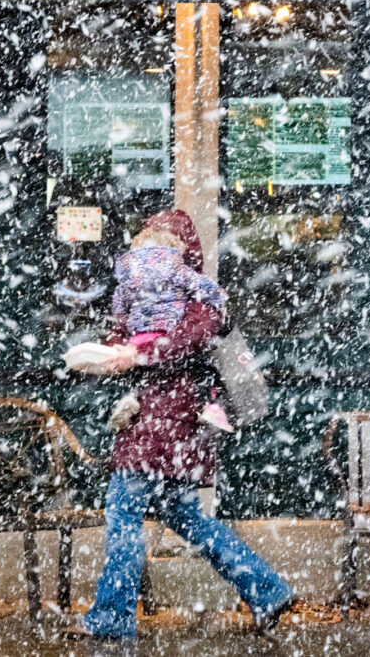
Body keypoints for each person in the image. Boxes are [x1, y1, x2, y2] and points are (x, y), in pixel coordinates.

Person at [67, 209, 293, 640]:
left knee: (124, 514)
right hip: (170, 426)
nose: (151, 253)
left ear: (179, 249)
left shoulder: (199, 297)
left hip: (165, 421)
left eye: (160, 244)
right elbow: (128, 331)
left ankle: (113, 620)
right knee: (189, 518)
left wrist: (139, 356)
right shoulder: (152, 291)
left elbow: (187, 341)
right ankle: (267, 590)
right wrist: (112, 351)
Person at [110, 224, 232, 433]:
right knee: (205, 369)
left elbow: (119, 306)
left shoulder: (129, 274)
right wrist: (219, 296)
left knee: (135, 370)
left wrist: (126, 322)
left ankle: (128, 396)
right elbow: (200, 286)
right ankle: (210, 404)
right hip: (166, 331)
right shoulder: (175, 267)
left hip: (138, 336)